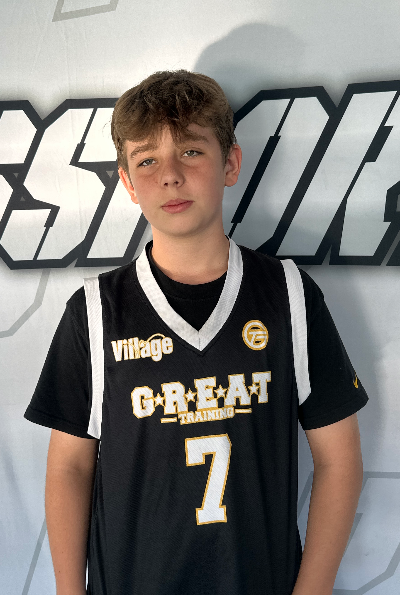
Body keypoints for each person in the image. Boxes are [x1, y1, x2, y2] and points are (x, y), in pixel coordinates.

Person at [25, 70, 368, 595]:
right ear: (127, 182)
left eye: (190, 151)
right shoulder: (95, 311)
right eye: (147, 160)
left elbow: (339, 458)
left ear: (230, 163)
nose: (170, 175)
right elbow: (70, 467)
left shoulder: (289, 295)